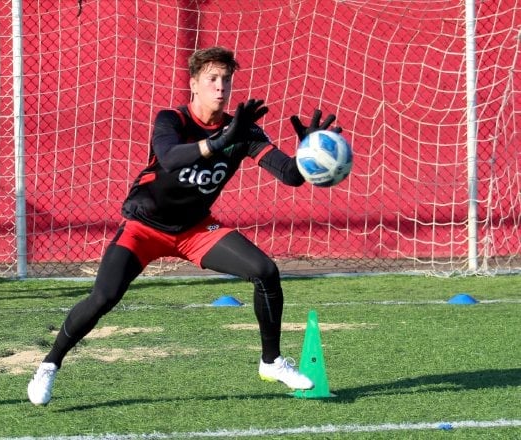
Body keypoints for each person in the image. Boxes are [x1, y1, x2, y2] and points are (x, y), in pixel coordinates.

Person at [27, 46, 343, 405]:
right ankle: (50, 364)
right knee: (104, 297)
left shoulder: (242, 129)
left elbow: (289, 176)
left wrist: (308, 151)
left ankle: (271, 361)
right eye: (212, 78)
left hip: (194, 231)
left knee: (265, 271)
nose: (220, 86)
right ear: (194, 84)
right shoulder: (172, 119)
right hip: (143, 227)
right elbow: (170, 157)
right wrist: (220, 141)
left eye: (226, 79)